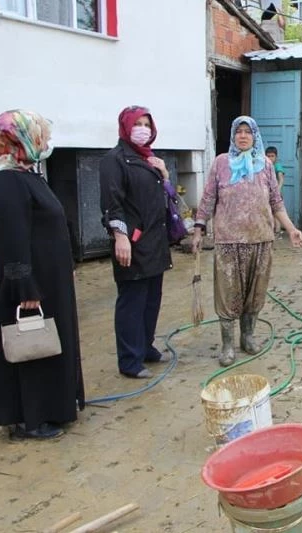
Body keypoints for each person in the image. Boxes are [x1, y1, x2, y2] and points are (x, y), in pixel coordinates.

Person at [0, 109, 84, 440]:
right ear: (17, 138)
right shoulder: (5, 181)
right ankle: (29, 420)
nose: (47, 141)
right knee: (31, 347)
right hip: (29, 284)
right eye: (42, 135)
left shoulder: (25, 174)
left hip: (48, 280)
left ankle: (53, 407)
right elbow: (12, 239)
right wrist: (24, 286)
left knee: (48, 345)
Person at [193, 116, 302, 366]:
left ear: (255, 137)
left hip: (260, 239)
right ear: (233, 136)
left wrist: (291, 228)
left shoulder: (265, 164)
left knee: (255, 293)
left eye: (248, 132)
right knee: (227, 293)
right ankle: (227, 345)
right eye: (238, 132)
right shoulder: (221, 163)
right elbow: (208, 198)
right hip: (228, 241)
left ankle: (248, 336)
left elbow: (276, 202)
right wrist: (199, 230)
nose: (243, 136)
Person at [100, 106, 172, 379]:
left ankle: (146, 346)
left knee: (152, 298)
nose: (143, 128)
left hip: (155, 240)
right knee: (132, 300)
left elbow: (165, 198)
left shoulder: (149, 158)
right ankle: (129, 359)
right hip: (132, 242)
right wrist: (120, 236)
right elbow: (111, 202)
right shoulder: (114, 160)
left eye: (147, 123)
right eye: (137, 123)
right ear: (125, 127)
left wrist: (164, 174)